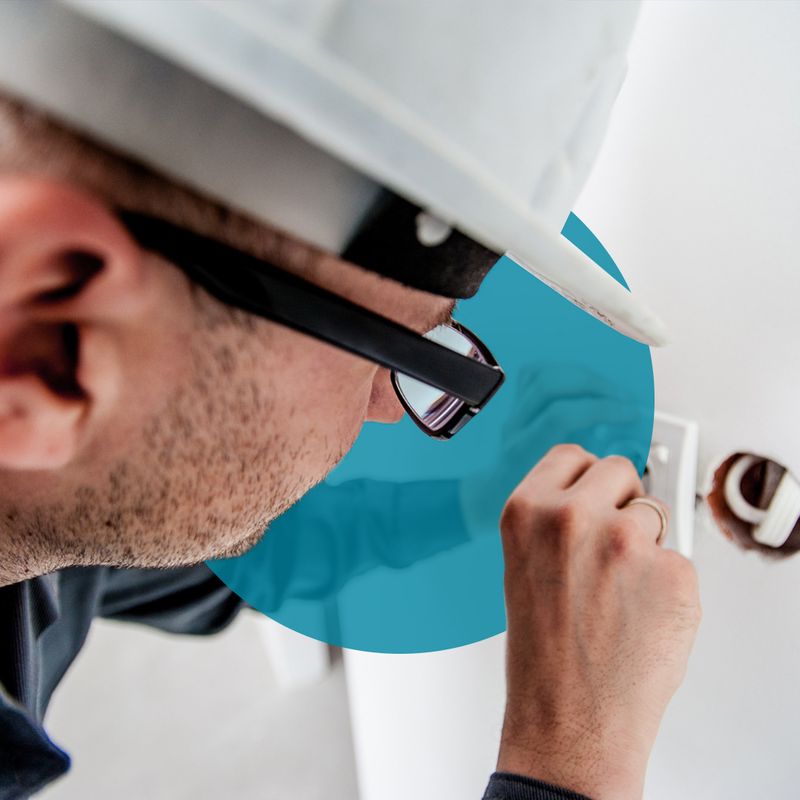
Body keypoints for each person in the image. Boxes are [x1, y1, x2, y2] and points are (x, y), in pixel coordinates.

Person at [0, 3, 700, 799]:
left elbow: (252, 556)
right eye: (392, 351)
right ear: (50, 338)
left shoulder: (48, 524)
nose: (388, 407)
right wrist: (571, 767)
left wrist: (476, 502)